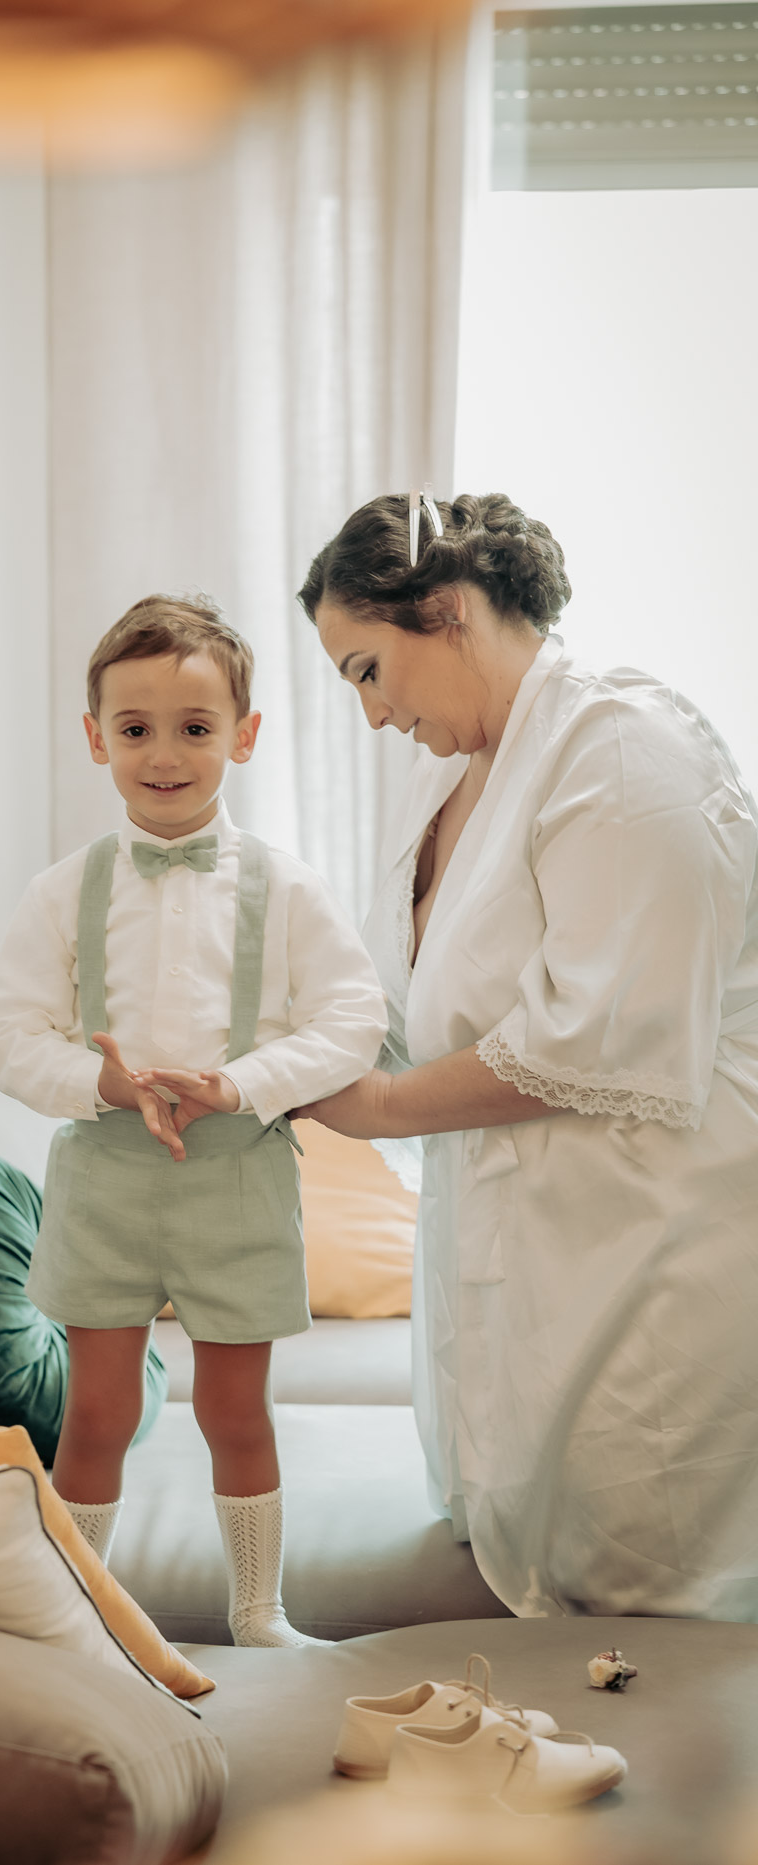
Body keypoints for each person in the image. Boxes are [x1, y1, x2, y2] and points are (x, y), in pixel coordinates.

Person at [295, 490, 758, 1620]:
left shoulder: (623, 750)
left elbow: (597, 1035)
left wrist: (381, 1103)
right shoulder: (451, 772)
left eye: (366, 668)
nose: (368, 713)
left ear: (445, 610)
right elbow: (425, 1004)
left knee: (651, 1610)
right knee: (541, 1601)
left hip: (650, 1249)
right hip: (518, 1256)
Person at [0, 594, 386, 1646]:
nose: (165, 753)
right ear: (95, 737)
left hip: (238, 1174)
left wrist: (244, 1081)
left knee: (235, 1411)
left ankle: (260, 1612)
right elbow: (9, 1036)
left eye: (196, 728)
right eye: (136, 728)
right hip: (106, 1181)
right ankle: (77, 1616)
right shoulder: (59, 891)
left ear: (244, 736)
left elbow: (356, 1016)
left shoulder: (290, 888)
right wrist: (104, 1082)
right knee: (100, 1413)